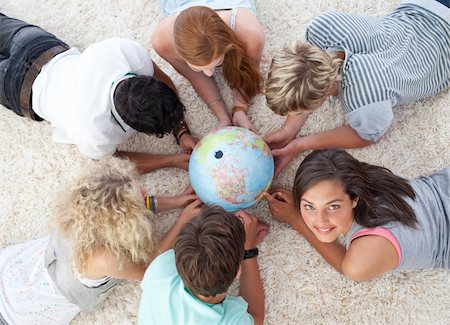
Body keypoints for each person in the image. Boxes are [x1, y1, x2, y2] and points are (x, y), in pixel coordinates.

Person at [0, 158, 198, 324]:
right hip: (15, 315)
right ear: (121, 225)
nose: (147, 191)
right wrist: (183, 221)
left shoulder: (84, 206)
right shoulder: (105, 258)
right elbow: (150, 270)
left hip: (9, 272)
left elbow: (127, 206)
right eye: (141, 197)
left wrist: (176, 201)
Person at [264, 0, 450, 176]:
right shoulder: (324, 27)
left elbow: (366, 135)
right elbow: (306, 75)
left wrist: (301, 144)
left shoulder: (366, 102)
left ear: (320, 100)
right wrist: (288, 131)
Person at [0, 13, 197, 173]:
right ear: (131, 127)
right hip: (18, 90)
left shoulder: (125, 53)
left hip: (35, 45)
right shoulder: (94, 134)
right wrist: (170, 160)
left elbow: (166, 84)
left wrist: (181, 131)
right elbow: (116, 163)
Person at [264, 149, 450, 282]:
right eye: (309, 206)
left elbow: (346, 265)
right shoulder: (362, 176)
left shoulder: (362, 258)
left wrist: (296, 219)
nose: (320, 220)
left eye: (333, 206)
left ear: (355, 198)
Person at [138, 206, 269, 325]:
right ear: (237, 272)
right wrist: (249, 251)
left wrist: (183, 220)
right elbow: (256, 317)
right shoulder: (232, 321)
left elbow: (156, 260)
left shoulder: (159, 271)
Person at [152, 1, 264, 131]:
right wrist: (222, 117)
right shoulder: (162, 41)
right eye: (197, 67)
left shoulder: (250, 33)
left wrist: (240, 108)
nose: (209, 74)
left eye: (217, 62)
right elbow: (195, 78)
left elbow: (249, 73)